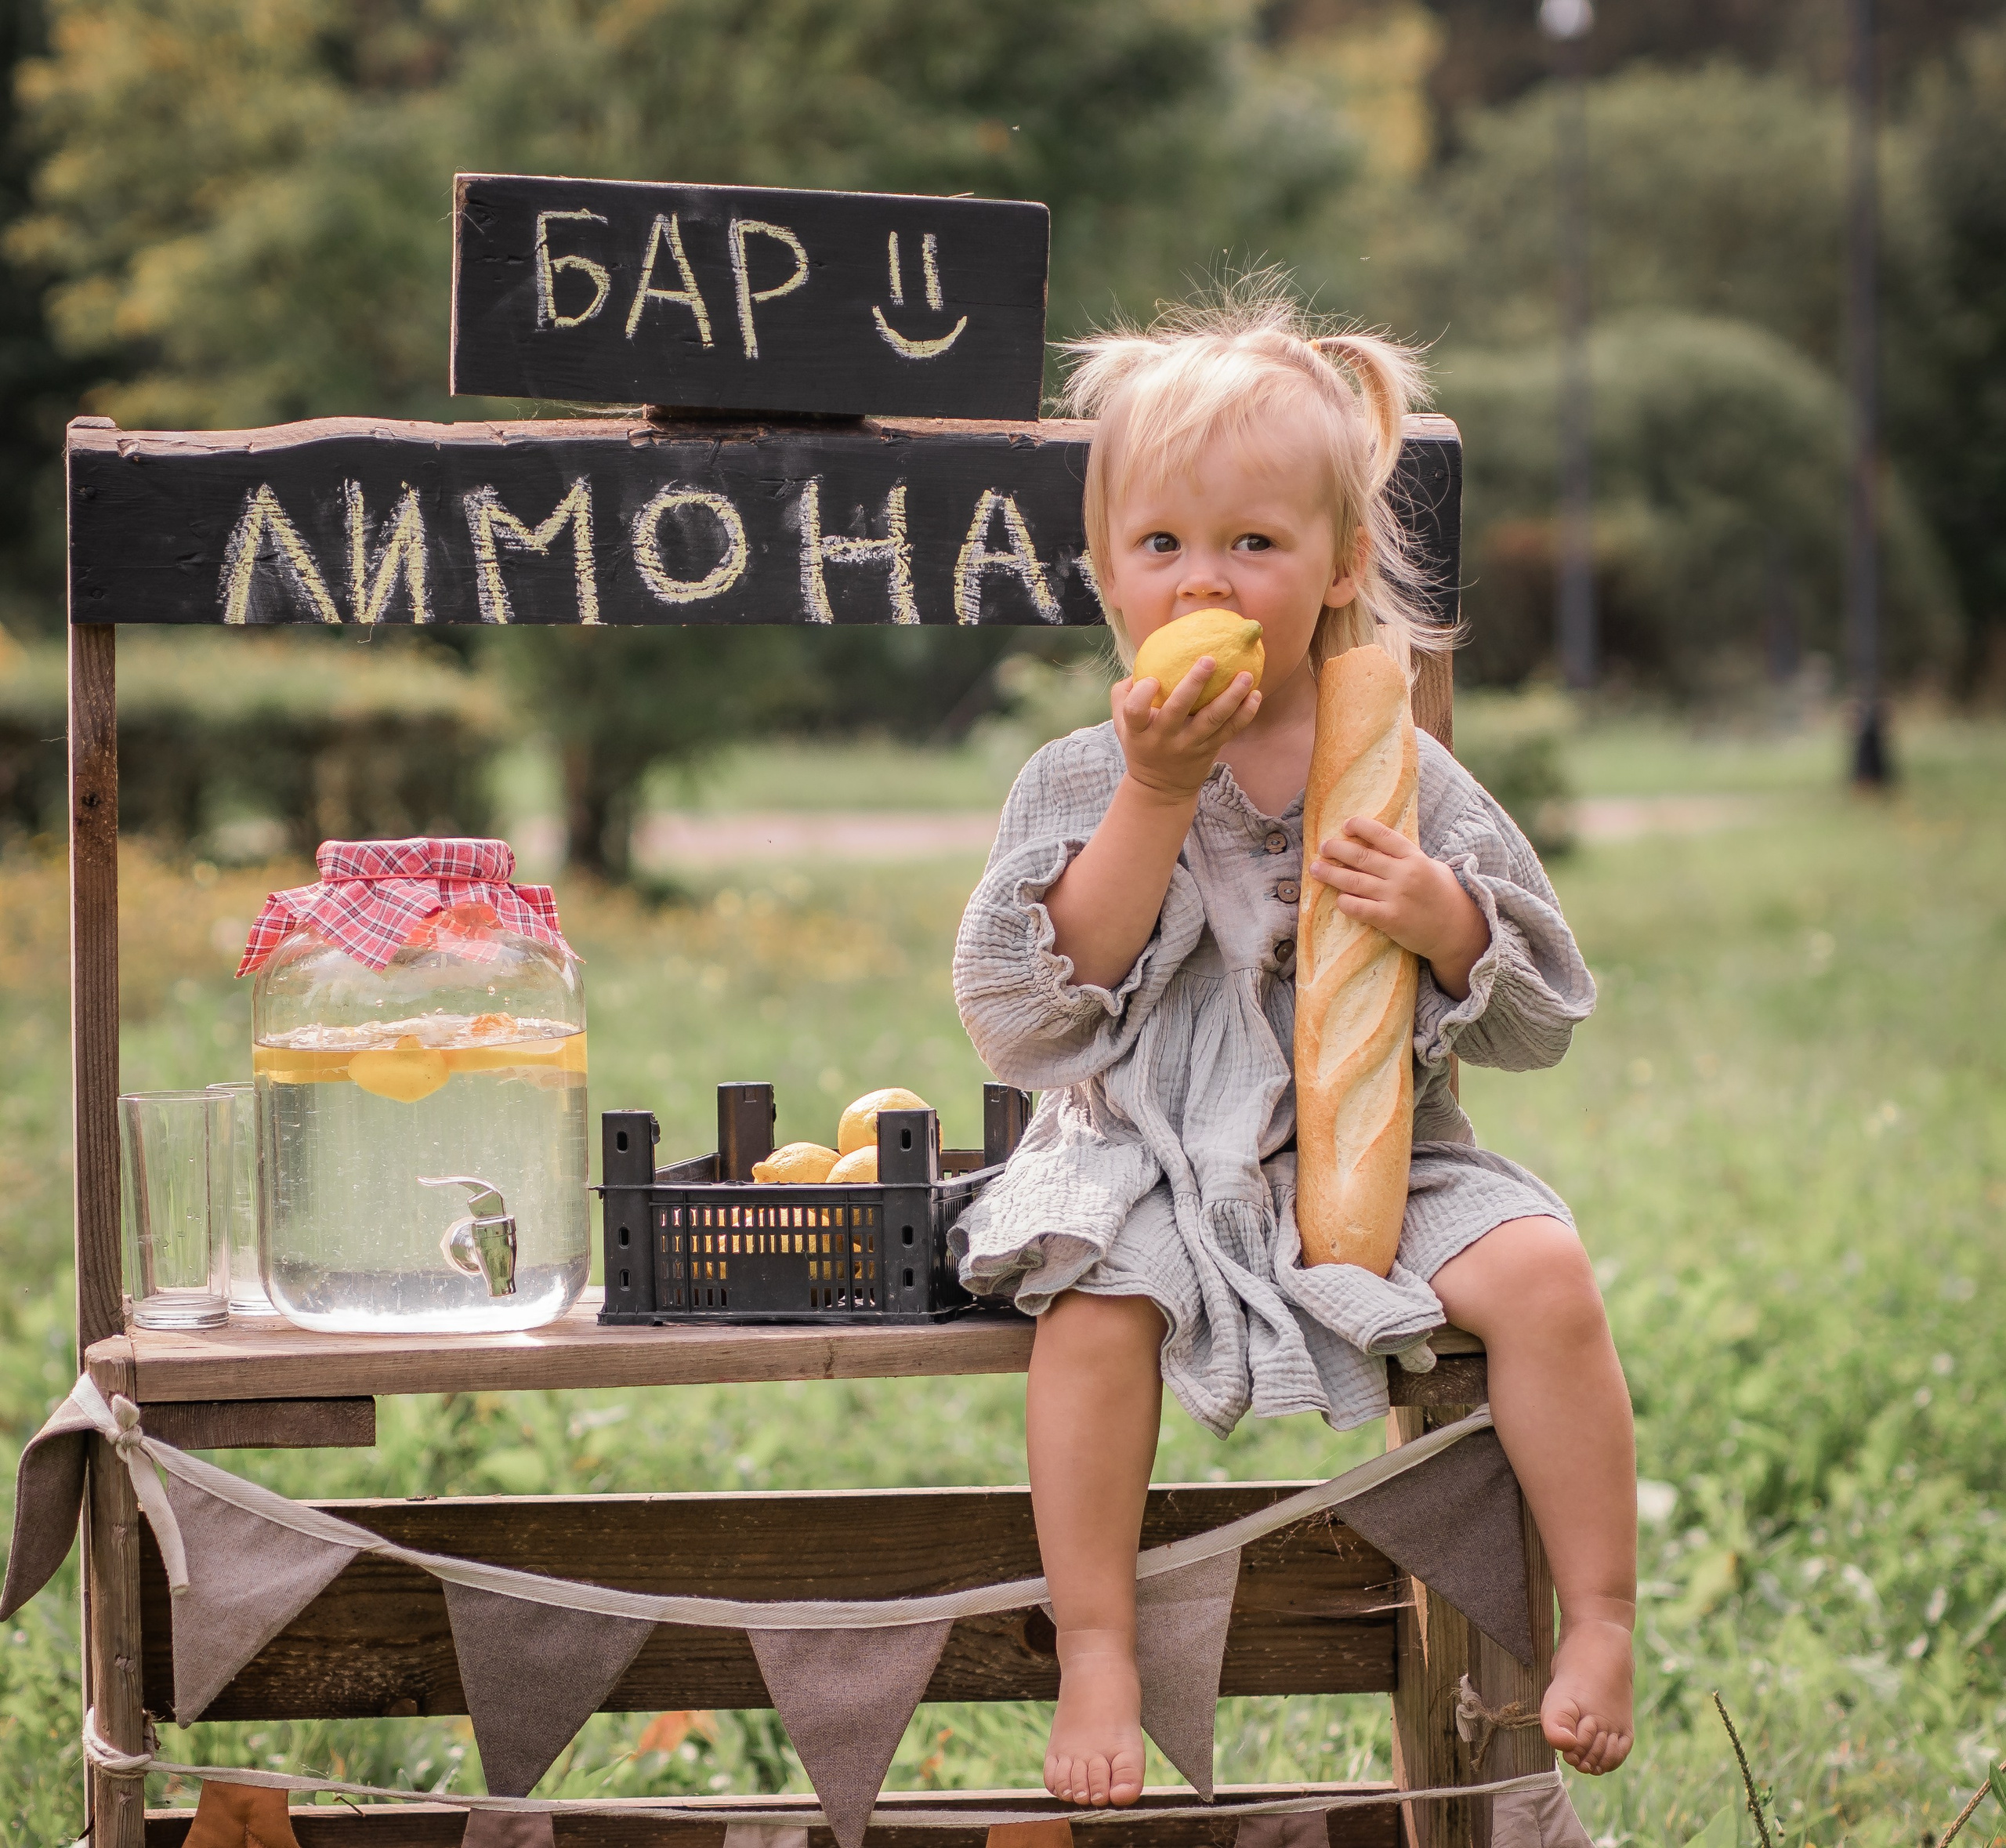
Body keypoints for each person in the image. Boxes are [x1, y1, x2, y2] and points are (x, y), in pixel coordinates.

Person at [950, 283, 1635, 1810]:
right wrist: (1147, 796)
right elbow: (1027, 1012)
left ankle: (1595, 1615)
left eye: (1253, 543)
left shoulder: (1400, 769)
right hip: (1137, 1156)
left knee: (1539, 1273)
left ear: (1336, 568)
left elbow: (1537, 1017)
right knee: (1092, 1315)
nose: (1209, 576)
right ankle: (1098, 1642)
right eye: (1164, 546)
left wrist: (1446, 917)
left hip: (1382, 1162)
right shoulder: (1080, 775)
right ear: (1107, 577)